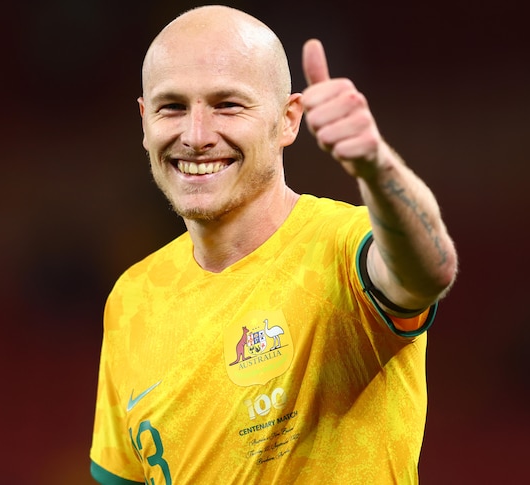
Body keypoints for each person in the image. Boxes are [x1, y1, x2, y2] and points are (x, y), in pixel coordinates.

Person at [89, 5, 457, 484]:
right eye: (172, 107)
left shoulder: (342, 249)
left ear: (288, 120)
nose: (196, 135)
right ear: (144, 121)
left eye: (228, 104)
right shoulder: (131, 299)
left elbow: (426, 270)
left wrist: (377, 166)